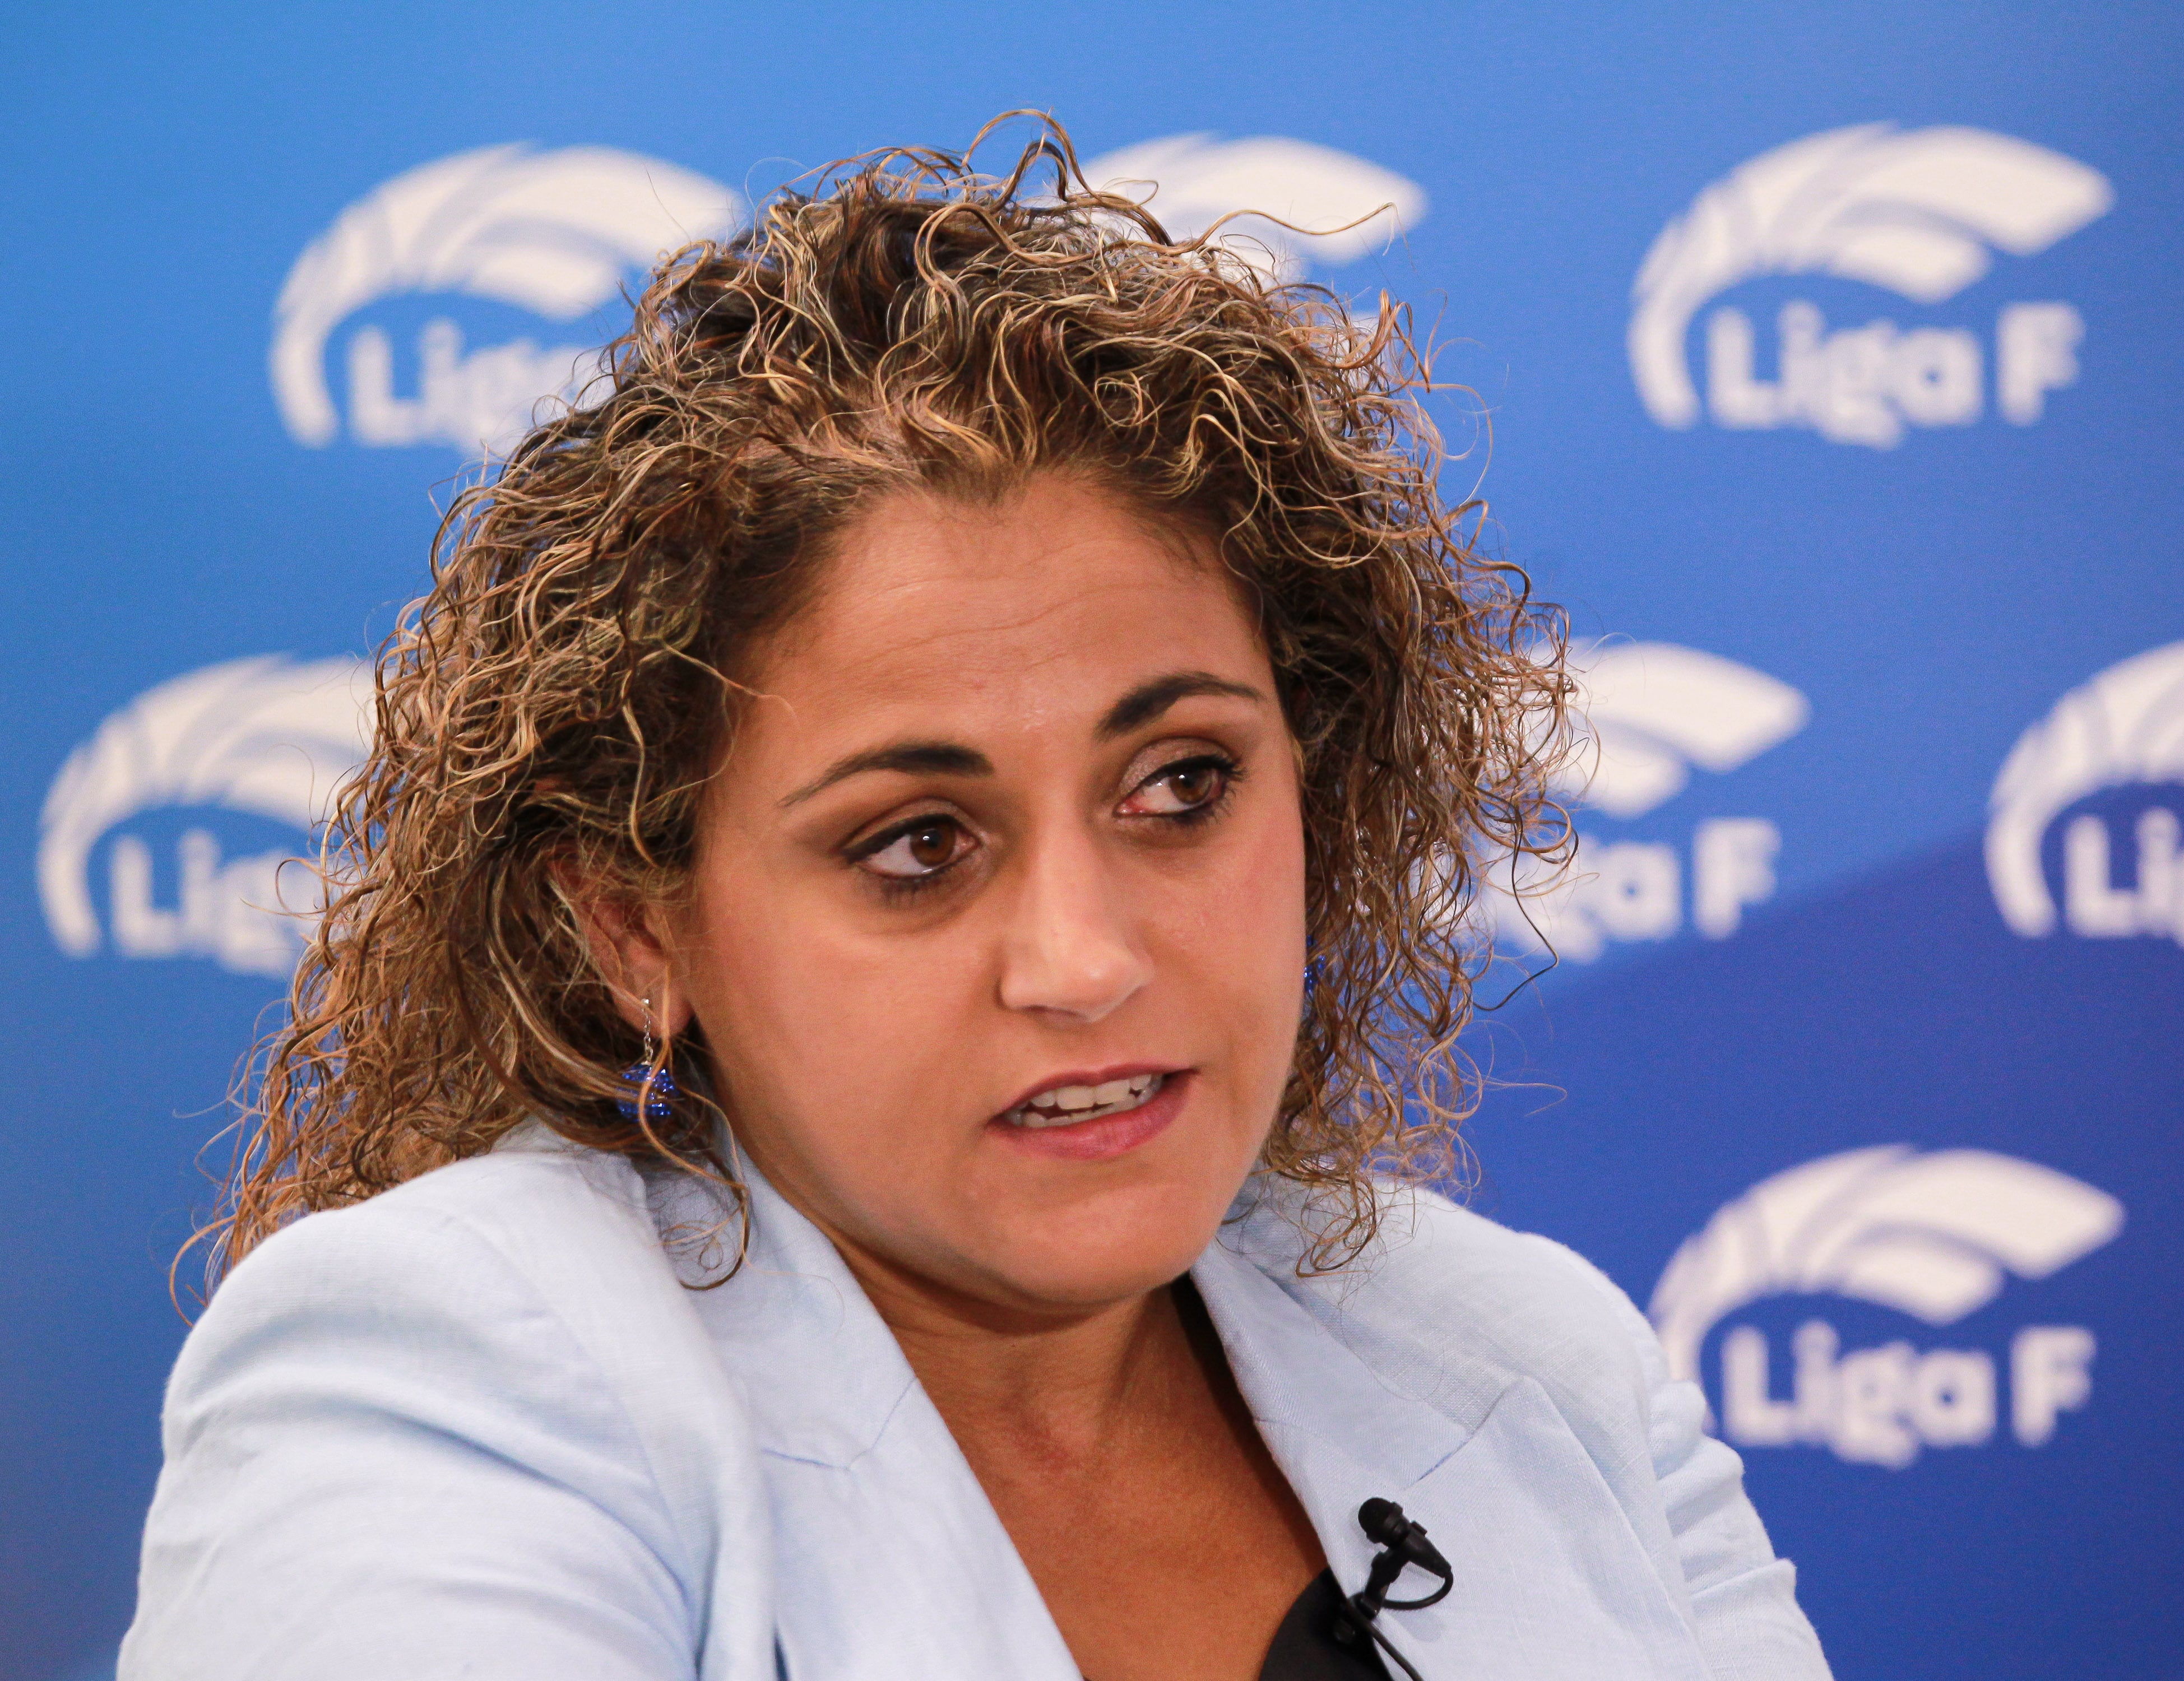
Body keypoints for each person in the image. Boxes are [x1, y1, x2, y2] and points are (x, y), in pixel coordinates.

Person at [120, 123, 1833, 1681]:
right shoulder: (441, 1377)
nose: (1086, 962)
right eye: (918, 846)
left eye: (1180, 786)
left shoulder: (1531, 1358)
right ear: (636, 929)